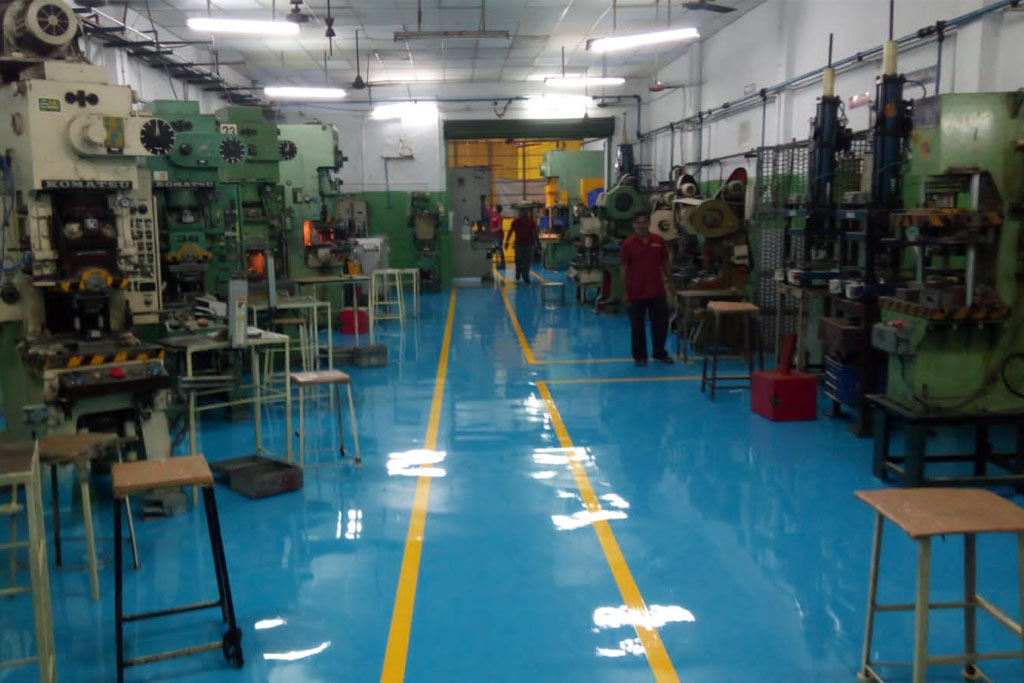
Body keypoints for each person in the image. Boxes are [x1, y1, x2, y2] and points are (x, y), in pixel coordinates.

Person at [621, 211, 675, 367]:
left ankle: (660, 353)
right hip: (636, 291)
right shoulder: (628, 244)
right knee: (637, 326)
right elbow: (623, 269)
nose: (641, 225)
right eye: (637, 223)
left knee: (660, 324)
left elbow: (665, 262)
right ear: (633, 225)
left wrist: (670, 281)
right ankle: (640, 356)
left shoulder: (658, 241)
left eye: (643, 222)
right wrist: (625, 293)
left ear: (649, 223)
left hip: (657, 290)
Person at [505, 206, 538, 284]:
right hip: (520, 244)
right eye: (524, 212)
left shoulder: (530, 221)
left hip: (528, 244)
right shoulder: (516, 221)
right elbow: (510, 231)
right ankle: (518, 271)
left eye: (526, 212)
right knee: (519, 260)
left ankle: (525, 276)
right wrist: (507, 241)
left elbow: (534, 232)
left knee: (526, 261)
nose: (525, 214)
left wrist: (535, 241)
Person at [488, 204, 505, 269]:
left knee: (499, 250)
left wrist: (492, 231)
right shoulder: (492, 214)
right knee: (490, 249)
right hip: (493, 236)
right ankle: (488, 264)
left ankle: (502, 264)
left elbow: (500, 227)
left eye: (494, 207)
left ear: (497, 210)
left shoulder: (499, 217)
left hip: (498, 236)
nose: (493, 208)